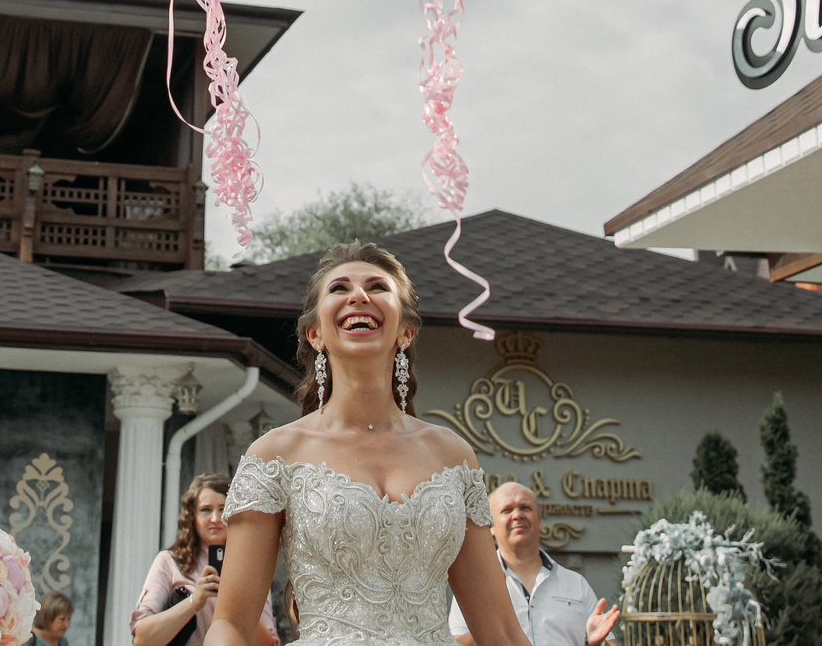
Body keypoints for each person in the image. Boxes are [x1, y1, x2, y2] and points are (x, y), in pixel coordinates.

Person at [205, 244, 536, 646]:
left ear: (406, 331)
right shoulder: (274, 456)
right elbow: (233, 624)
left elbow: (500, 628)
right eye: (339, 288)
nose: (359, 295)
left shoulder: (453, 455)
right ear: (314, 333)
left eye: (377, 286)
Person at [447, 484, 616, 646]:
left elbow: (609, 643)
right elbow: (456, 644)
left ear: (539, 520)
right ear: (491, 526)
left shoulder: (576, 584)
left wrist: (597, 643)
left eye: (525, 508)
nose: (517, 515)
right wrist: (486, 618)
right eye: (507, 510)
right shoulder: (475, 586)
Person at [131, 475, 275, 646]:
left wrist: (235, 601)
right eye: (206, 509)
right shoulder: (169, 561)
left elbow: (270, 643)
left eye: (223, 509)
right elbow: (141, 639)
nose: (215, 518)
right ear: (192, 516)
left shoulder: (251, 567)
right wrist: (194, 601)